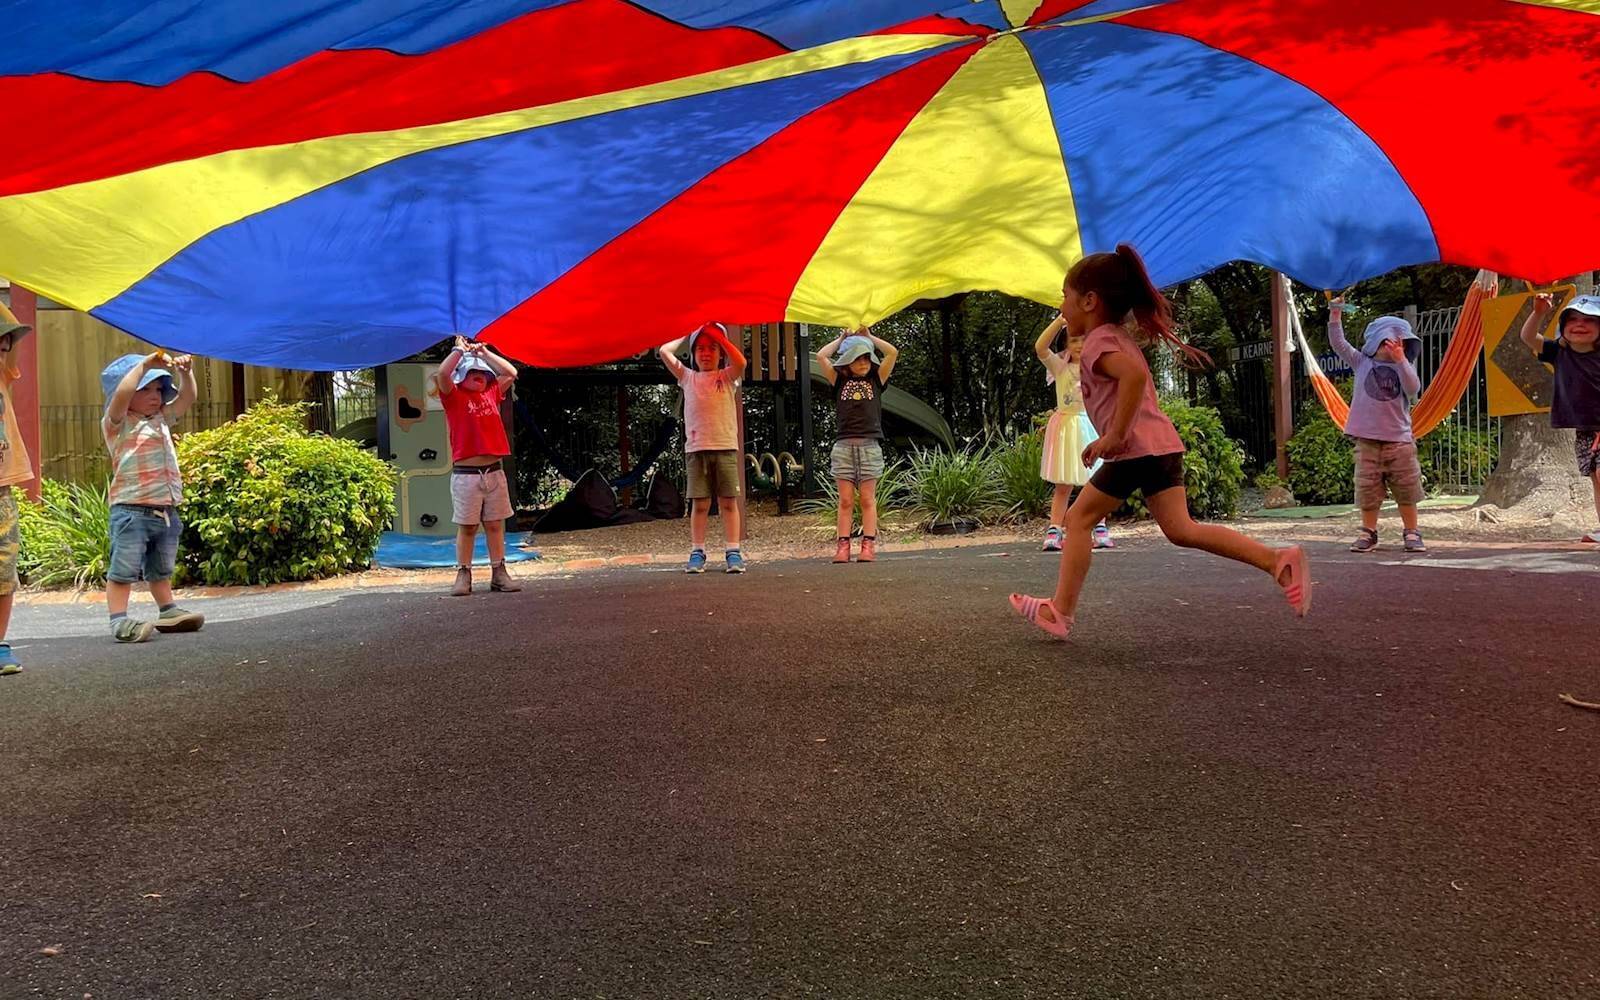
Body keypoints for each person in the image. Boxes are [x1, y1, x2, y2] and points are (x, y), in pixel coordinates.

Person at [1008, 244, 1311, 640]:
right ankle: (1277, 561)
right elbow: (1129, 381)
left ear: (1089, 301)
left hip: (1135, 449)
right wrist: (1110, 437)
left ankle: (1060, 611)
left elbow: (1133, 377)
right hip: (1157, 447)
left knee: (1078, 520)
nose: (1062, 306)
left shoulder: (1100, 340)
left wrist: (1114, 436)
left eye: (1066, 296)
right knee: (1182, 529)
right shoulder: (1113, 335)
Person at [101, 352, 206, 642]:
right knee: (123, 569)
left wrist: (186, 373)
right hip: (131, 510)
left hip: (165, 508)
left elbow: (187, 399)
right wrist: (144, 366)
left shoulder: (161, 418)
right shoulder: (118, 423)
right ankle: (119, 620)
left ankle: (168, 609)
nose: (155, 395)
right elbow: (121, 395)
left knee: (161, 568)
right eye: (145, 388)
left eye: (159, 389)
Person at [1328, 297, 1426, 553]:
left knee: (1407, 488)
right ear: (1374, 343)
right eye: (1386, 341)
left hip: (1399, 441)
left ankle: (1412, 531)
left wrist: (1401, 360)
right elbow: (1338, 344)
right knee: (1368, 489)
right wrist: (1335, 313)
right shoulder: (1362, 362)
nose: (1392, 346)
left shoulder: (1405, 367)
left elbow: (1413, 389)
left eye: (1398, 342)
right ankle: (1369, 532)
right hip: (1367, 440)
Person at [659, 323, 748, 573]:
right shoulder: (688, 377)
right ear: (693, 353)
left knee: (729, 502)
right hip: (696, 450)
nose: (706, 353)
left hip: (725, 448)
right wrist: (688, 331)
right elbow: (665, 352)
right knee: (700, 504)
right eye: (700, 349)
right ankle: (697, 551)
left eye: (712, 348)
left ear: (721, 353)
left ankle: (733, 551)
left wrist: (721, 337)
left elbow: (741, 362)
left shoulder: (727, 377)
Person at [437, 336, 522, 596]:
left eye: (484, 373)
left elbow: (511, 372)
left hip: (494, 472)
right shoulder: (454, 397)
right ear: (462, 376)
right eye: (472, 372)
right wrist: (458, 351)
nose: (480, 376)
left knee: (495, 525)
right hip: (467, 475)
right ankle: (463, 573)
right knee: (468, 526)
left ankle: (499, 572)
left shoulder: (492, 393)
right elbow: (442, 373)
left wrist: (484, 354)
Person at [1521, 292, 1600, 542]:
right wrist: (1539, 312)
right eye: (1572, 319)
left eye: (1589, 320)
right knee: (1595, 479)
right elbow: (1528, 337)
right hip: (1585, 429)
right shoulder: (1559, 352)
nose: (1579, 325)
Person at [1033, 315, 1113, 553]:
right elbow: (1040, 348)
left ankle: (1099, 526)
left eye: (1084, 340)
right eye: (1074, 340)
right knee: (1063, 484)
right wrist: (1060, 322)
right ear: (1067, 344)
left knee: (1096, 482)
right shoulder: (1060, 367)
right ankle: (1055, 529)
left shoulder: (1099, 368)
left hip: (1091, 426)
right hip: (1066, 428)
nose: (1079, 345)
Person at [816, 329, 898, 563]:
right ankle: (843, 546)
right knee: (845, 500)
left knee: (867, 499)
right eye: (856, 358)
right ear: (846, 363)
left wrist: (869, 337)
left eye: (865, 357)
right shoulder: (839, 380)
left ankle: (868, 545)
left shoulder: (877, 379)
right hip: (843, 447)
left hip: (870, 446)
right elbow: (822, 356)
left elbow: (892, 352)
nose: (862, 362)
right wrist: (842, 340)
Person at [0, 302, 34, 673]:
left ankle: (0, 643)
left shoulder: (1, 374)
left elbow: (12, 331)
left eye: (5, 344)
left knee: (4, 569)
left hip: (2, 491)